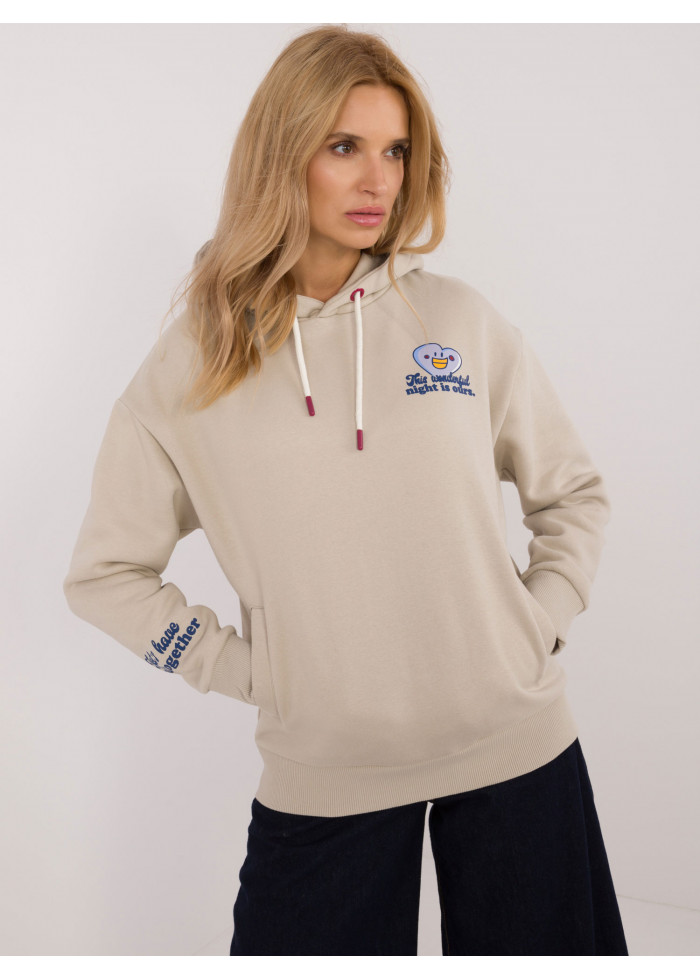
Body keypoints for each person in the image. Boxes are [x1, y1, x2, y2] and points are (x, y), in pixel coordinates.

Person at [63, 24, 629, 956]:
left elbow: (572, 493)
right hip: (325, 772)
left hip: (517, 746)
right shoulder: (193, 367)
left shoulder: (455, 321)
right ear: (281, 155)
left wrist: (538, 620)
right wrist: (245, 670)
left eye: (395, 151)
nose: (378, 180)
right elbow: (103, 576)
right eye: (344, 147)